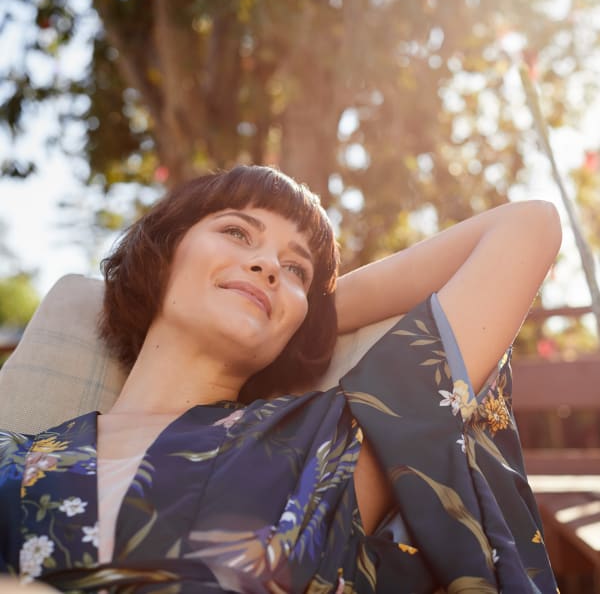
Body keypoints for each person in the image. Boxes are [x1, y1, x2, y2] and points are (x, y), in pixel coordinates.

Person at [0, 165, 561, 593]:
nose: (268, 264)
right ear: (164, 254)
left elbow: (525, 227)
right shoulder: (13, 457)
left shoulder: (326, 441)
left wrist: (310, 318)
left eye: (294, 268)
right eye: (238, 233)